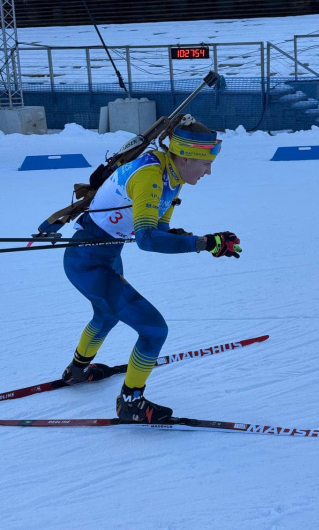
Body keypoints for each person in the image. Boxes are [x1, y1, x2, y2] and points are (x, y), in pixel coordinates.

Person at [62, 115, 241, 424]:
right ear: (185, 158)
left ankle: (78, 370)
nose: (210, 170)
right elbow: (145, 240)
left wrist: (194, 239)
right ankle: (130, 403)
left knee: (106, 315)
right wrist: (203, 243)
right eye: (206, 163)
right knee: (154, 330)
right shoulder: (151, 176)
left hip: (102, 255)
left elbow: (158, 229)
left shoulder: (174, 177)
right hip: (88, 260)